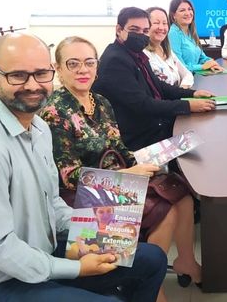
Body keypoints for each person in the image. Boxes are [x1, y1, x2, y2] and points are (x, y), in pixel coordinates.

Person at [0, 33, 168, 302]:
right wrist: (76, 268)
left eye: (41, 73)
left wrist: (97, 234)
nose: (32, 85)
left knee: (152, 258)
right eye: (17, 75)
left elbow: (51, 202)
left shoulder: (38, 127)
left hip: (44, 249)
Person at [41, 36, 202, 289]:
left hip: (117, 178)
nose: (83, 70)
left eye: (89, 62)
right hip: (83, 192)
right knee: (165, 211)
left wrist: (147, 160)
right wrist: (129, 172)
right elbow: (67, 174)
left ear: (97, 66)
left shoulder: (101, 102)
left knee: (182, 194)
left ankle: (186, 262)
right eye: (73, 64)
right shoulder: (55, 111)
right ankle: (147, 286)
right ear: (58, 69)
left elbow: (118, 147)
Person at [92, 6, 216, 152]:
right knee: (203, 146)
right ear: (119, 30)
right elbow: (143, 105)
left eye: (145, 31)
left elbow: (158, 86)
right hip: (140, 142)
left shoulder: (134, 53)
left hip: (154, 127)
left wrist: (192, 94)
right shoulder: (115, 60)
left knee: (206, 133)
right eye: (134, 30)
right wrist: (188, 106)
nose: (140, 35)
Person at [168, 0, 223, 73]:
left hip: (197, 77)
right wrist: (202, 67)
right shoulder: (173, 33)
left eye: (190, 9)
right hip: (185, 81)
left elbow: (202, 57)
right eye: (182, 10)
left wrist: (213, 63)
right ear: (173, 15)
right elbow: (179, 66)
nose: (188, 13)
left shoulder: (191, 32)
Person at [144, 6, 194, 88]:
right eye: (156, 23)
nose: (161, 28)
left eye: (164, 23)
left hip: (178, 97)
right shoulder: (143, 55)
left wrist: (182, 89)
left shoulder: (167, 50)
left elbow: (187, 74)